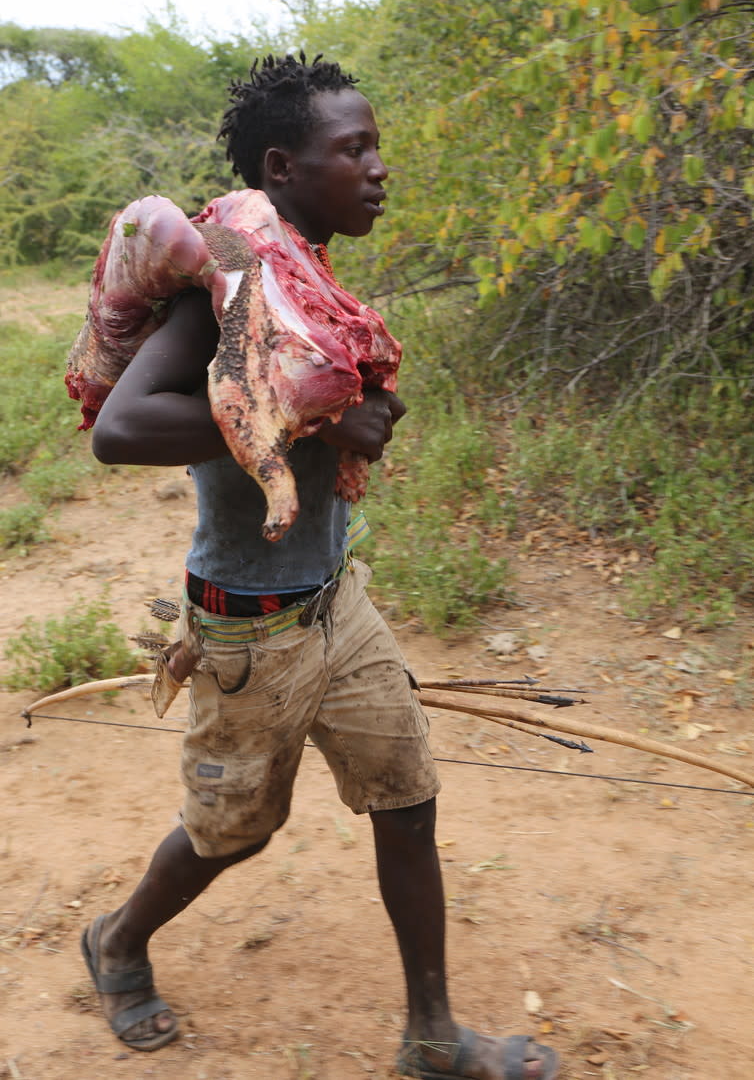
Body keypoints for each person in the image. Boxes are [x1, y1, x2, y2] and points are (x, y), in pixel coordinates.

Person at [82, 52, 560, 1080]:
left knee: (406, 793)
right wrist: (315, 415)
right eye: (356, 150)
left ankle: (431, 1039)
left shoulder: (303, 278)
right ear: (283, 166)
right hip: (246, 628)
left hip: (336, 604)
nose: (379, 168)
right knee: (235, 832)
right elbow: (121, 429)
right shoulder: (225, 289)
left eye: (377, 145)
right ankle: (117, 941)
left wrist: (337, 416)